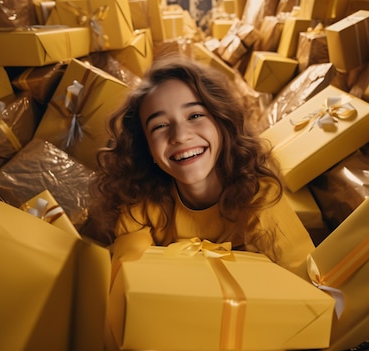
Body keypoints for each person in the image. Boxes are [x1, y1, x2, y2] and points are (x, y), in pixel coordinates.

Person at [82, 55, 314, 273]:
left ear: (222, 124)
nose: (180, 136)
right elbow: (126, 276)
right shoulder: (143, 206)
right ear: (147, 148)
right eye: (160, 126)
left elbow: (306, 283)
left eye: (194, 116)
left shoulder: (259, 198)